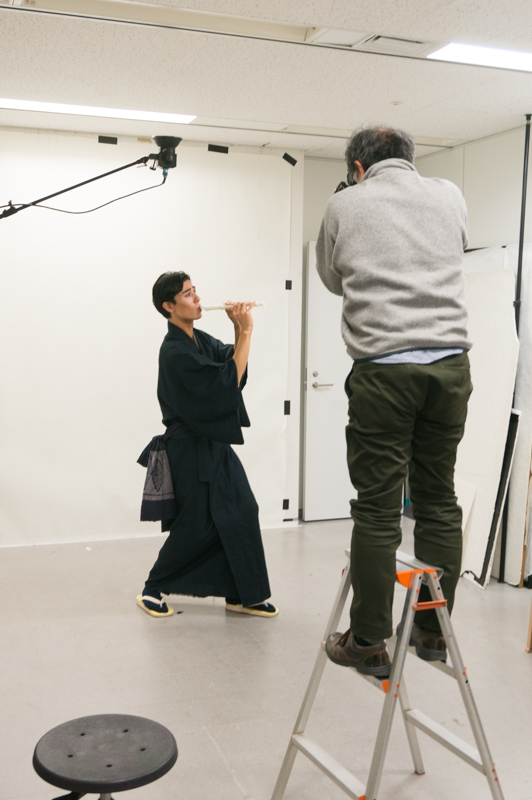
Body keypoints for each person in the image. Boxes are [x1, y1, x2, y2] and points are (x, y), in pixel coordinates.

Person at [316, 126, 472, 678]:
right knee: (439, 498)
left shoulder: (344, 204)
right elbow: (451, 250)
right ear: (410, 159)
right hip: (450, 367)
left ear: (358, 168)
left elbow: (332, 278)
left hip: (385, 369)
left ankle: (367, 640)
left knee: (379, 508)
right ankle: (431, 630)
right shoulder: (449, 194)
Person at [136, 271, 277, 619]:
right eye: (187, 294)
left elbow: (232, 365)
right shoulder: (174, 351)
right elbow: (225, 383)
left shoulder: (197, 338)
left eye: (195, 291)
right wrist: (246, 331)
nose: (197, 298)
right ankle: (153, 588)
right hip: (188, 448)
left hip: (212, 443)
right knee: (197, 522)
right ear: (169, 306)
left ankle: (240, 594)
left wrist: (238, 330)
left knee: (243, 509)